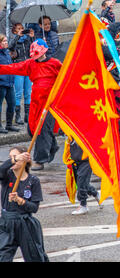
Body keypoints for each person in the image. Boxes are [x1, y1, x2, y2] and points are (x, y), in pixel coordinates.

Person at [0, 39, 62, 171]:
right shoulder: (30, 63)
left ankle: (40, 160)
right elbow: (13, 67)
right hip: (35, 102)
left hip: (49, 103)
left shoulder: (55, 64)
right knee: (32, 129)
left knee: (42, 130)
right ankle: (52, 146)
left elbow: (66, 77)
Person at [0, 146, 48, 262]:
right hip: (7, 223)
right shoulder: (7, 176)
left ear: (26, 159)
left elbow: (34, 208)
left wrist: (20, 201)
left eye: (17, 156)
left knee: (35, 257)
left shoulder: (33, 181)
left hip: (25, 223)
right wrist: (14, 159)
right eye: (11, 157)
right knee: (3, 257)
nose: (14, 160)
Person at [63, 136, 102, 215]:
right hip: (75, 159)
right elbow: (61, 131)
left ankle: (83, 205)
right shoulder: (71, 128)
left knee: (81, 181)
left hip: (87, 159)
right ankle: (95, 193)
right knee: (80, 182)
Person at [9, 23, 34, 125]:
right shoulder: (14, 41)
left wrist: (32, 38)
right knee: (18, 93)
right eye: (18, 29)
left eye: (22, 28)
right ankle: (18, 115)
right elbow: (10, 47)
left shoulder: (27, 40)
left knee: (28, 93)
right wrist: (17, 37)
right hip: (19, 69)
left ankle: (27, 115)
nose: (22, 30)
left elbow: (33, 50)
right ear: (15, 31)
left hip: (28, 68)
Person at [0, 34, 18, 134]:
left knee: (12, 103)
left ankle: (9, 124)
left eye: (6, 41)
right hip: (1, 83)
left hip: (10, 83)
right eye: (4, 41)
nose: (6, 42)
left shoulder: (7, 52)